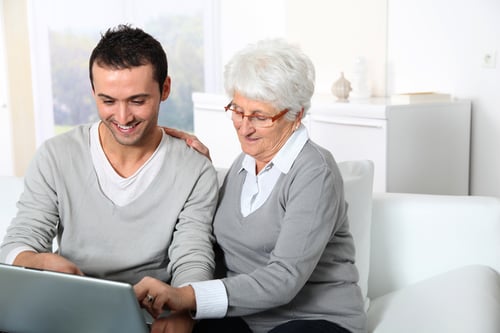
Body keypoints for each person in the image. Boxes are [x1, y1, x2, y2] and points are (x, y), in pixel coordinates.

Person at [134, 39, 367, 333]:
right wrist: (199, 168)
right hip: (247, 320)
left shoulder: (315, 172)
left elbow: (285, 279)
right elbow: (215, 246)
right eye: (238, 110)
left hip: (313, 320)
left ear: (296, 116)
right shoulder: (241, 168)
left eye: (259, 116)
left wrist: (187, 297)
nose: (244, 127)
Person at [0, 24, 219, 332]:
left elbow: (192, 257)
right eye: (108, 101)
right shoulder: (56, 155)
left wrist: (183, 310)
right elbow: (16, 243)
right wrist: (39, 262)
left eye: (138, 101)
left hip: (147, 317)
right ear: (93, 92)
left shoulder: (194, 169)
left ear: (165, 89)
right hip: (63, 309)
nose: (123, 117)